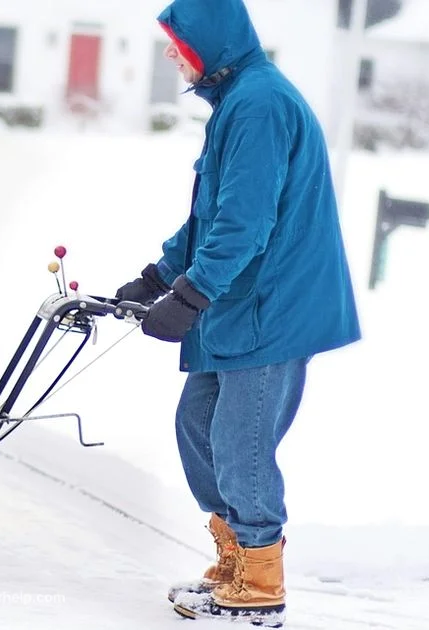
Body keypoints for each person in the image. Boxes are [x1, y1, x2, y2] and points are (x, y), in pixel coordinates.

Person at [113, 0, 361, 624]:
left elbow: (245, 223)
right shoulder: (238, 102)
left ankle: (260, 587)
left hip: (273, 305)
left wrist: (191, 296)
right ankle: (235, 560)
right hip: (244, 298)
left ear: (211, 40)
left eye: (179, 42)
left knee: (239, 442)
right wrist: (159, 276)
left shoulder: (258, 105)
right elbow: (211, 215)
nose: (172, 54)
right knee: (198, 424)